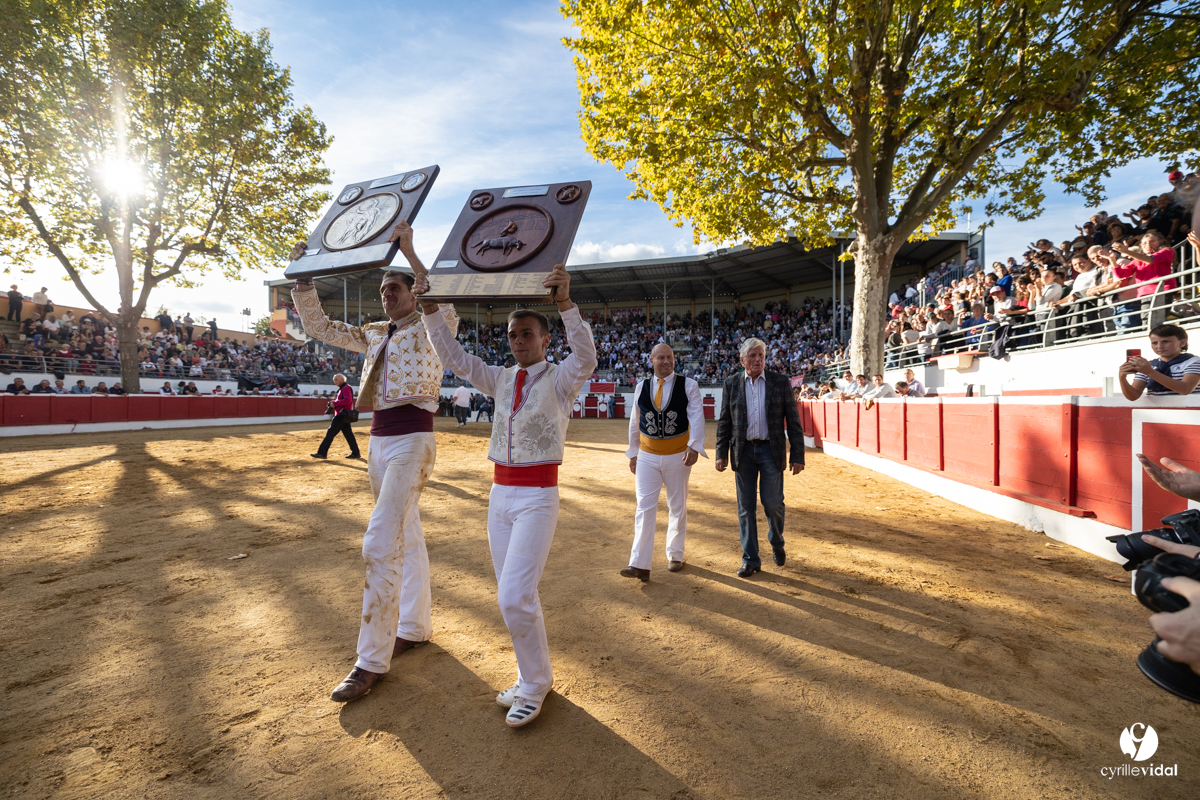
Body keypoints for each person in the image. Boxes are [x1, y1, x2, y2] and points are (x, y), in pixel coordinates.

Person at [419, 263, 596, 728]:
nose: (518, 341)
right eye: (513, 335)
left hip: (538, 496)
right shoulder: (498, 378)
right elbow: (454, 357)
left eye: (526, 334)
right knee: (513, 594)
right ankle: (532, 675)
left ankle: (535, 685)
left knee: (515, 595)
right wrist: (430, 310)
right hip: (498, 496)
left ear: (544, 340)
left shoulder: (560, 379)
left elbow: (588, 356)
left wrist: (564, 305)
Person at [290, 220, 453, 704]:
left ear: (410, 293)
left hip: (413, 440)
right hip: (380, 441)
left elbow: (437, 297)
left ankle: (370, 660)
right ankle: (415, 626)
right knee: (410, 532)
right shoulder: (375, 333)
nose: (386, 295)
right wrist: (304, 276)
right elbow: (319, 327)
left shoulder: (432, 326)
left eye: (394, 288)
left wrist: (411, 251)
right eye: (383, 290)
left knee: (381, 541)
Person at [715, 337, 805, 578]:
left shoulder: (779, 382)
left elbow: (793, 421)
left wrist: (798, 455)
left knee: (773, 504)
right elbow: (725, 421)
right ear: (742, 360)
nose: (757, 360)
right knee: (745, 508)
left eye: (761, 356)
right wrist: (721, 453)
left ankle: (776, 541)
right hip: (742, 452)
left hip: (770, 450)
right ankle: (751, 559)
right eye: (752, 356)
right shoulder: (732, 383)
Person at [620, 343, 707, 582]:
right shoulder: (641, 387)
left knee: (677, 506)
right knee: (644, 507)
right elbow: (635, 421)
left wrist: (694, 445)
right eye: (661, 358)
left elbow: (697, 417)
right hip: (647, 455)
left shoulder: (689, 385)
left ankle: (675, 554)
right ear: (652, 360)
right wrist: (634, 451)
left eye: (669, 357)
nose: (666, 361)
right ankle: (640, 564)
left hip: (678, 454)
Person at [1118, 324, 1200, 399]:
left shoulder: (1194, 362)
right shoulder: (1148, 365)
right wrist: (1122, 378)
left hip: (1188, 412)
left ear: (1182, 343)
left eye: (1166, 341)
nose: (1159, 346)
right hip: (1155, 412)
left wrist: (1150, 372)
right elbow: (1133, 396)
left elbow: (1185, 389)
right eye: (1154, 343)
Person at [311, 373, 360, 459]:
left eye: (336, 379)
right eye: (334, 379)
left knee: (330, 433)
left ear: (342, 379)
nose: (335, 381)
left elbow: (347, 400)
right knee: (349, 435)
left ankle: (322, 453)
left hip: (341, 415)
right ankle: (356, 453)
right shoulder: (344, 388)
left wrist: (335, 403)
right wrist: (335, 403)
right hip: (344, 414)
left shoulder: (345, 387)